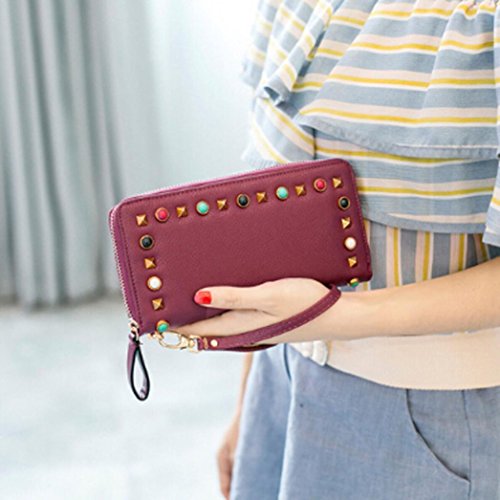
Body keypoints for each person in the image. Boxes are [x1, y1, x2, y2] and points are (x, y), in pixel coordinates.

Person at [176, 0, 500, 498]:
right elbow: (273, 216)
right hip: (280, 384)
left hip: (433, 416)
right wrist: (247, 404)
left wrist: (334, 315)